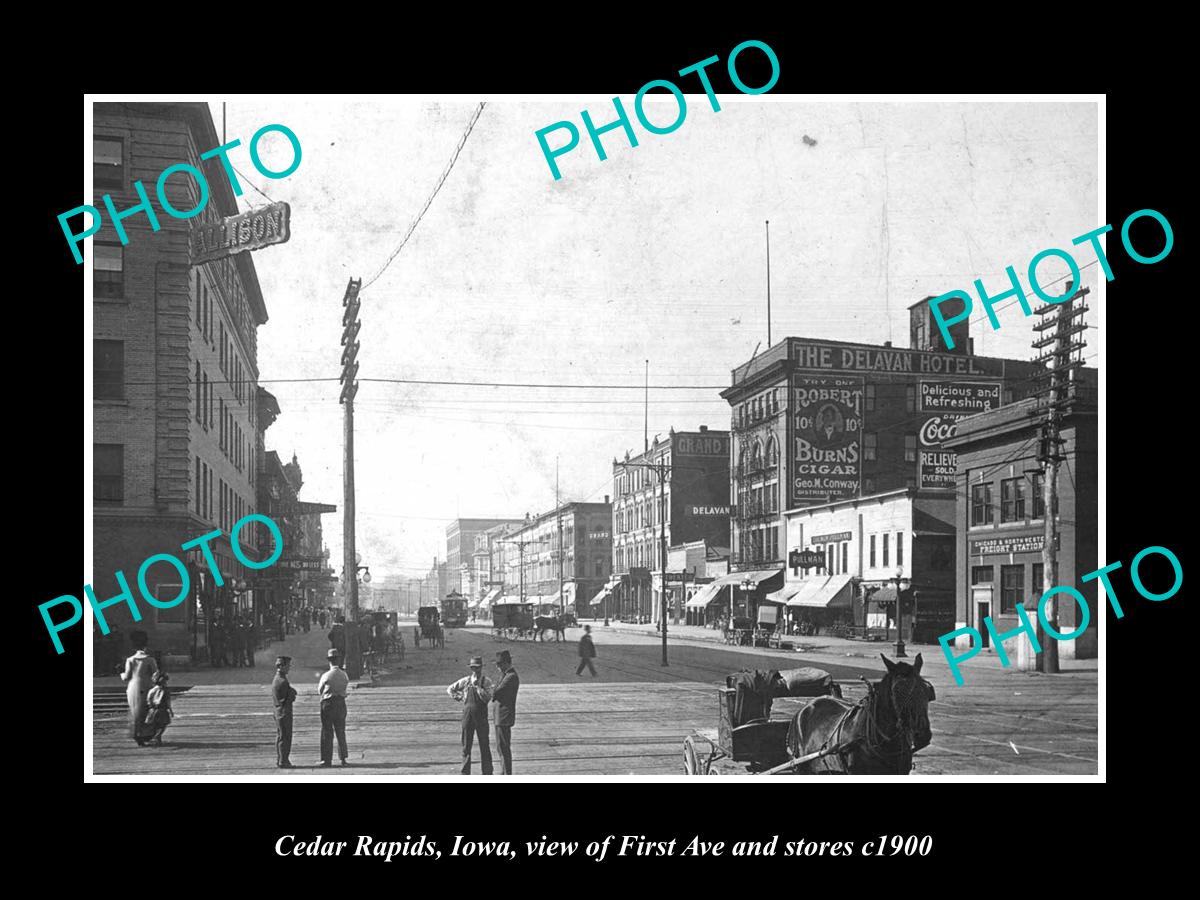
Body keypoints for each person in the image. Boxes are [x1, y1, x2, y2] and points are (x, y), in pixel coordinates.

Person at [447, 657, 494, 775]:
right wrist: (459, 697)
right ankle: (465, 773)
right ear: (471, 668)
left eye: (478, 668)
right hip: (467, 716)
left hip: (481, 717)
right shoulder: (466, 681)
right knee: (466, 746)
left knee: (484, 745)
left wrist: (478, 687)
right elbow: (450, 689)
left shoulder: (486, 681)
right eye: (473, 668)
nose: (476, 670)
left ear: (481, 667)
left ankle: (487, 773)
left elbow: (488, 698)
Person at [120, 630, 158, 746]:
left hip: (133, 687)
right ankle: (145, 734)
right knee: (145, 710)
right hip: (147, 686)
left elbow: (126, 677)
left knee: (135, 711)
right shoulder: (150, 660)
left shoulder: (130, 660)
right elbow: (156, 675)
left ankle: (136, 734)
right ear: (145, 646)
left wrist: (120, 674)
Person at [317, 648, 350, 767]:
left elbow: (319, 690)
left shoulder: (326, 676)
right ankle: (343, 758)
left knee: (327, 731)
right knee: (341, 731)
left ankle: (326, 759)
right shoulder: (344, 675)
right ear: (338, 660)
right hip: (340, 703)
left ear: (329, 661)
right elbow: (345, 686)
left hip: (328, 704)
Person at [492, 650, 520, 775]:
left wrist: (492, 690)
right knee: (501, 747)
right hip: (500, 716)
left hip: (504, 717)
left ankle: (507, 774)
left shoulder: (511, 676)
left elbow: (496, 692)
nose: (497, 667)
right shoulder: (505, 675)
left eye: (499, 664)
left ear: (506, 663)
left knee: (503, 748)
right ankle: (504, 772)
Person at [273, 656, 297, 768]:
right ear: (281, 666)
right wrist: (292, 692)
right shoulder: (282, 681)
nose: (289, 668)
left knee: (281, 736)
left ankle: (280, 759)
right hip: (284, 711)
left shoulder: (277, 678)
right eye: (287, 666)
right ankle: (284, 761)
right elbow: (290, 697)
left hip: (278, 711)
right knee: (285, 737)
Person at [143, 671, 173, 746]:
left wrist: (150, 706)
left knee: (155, 724)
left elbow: (148, 699)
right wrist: (171, 710)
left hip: (153, 710)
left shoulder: (152, 690)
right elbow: (168, 702)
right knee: (163, 724)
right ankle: (158, 736)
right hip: (162, 710)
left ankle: (157, 738)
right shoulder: (166, 691)